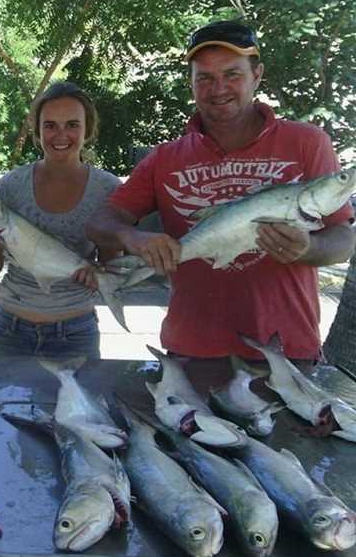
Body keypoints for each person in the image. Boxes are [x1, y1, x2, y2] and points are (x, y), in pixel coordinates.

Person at [85, 20, 355, 362]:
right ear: (192, 83)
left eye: (232, 74)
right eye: (205, 78)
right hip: (191, 350)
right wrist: (131, 238)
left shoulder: (308, 142)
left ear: (257, 74)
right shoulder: (164, 158)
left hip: (287, 351)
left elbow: (343, 240)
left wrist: (309, 247)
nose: (219, 88)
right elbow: (99, 223)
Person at [0, 81, 121, 359]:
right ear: (37, 131)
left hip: (76, 333)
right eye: (50, 125)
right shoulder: (11, 185)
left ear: (87, 129)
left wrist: (97, 275)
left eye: (72, 125)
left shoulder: (108, 189)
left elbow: (111, 267)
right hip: (9, 329)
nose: (61, 135)